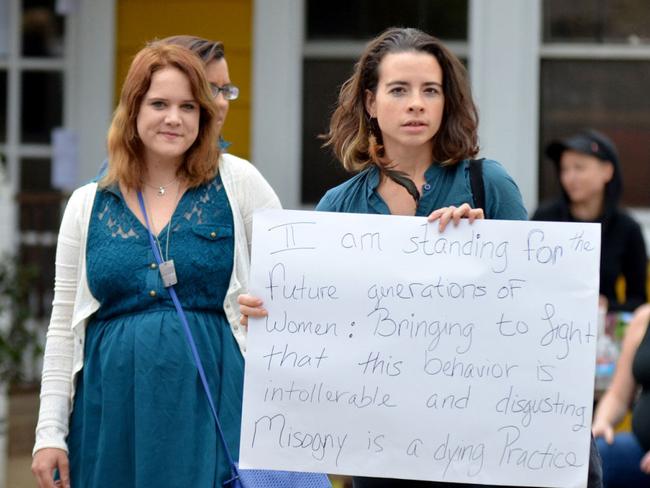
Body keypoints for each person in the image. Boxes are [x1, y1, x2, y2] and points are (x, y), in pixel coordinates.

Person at [239, 27, 602, 488]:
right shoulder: (339, 207)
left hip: (486, 443)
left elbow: (538, 313)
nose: (416, 103)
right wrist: (271, 318)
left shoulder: (486, 184)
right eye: (399, 90)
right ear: (370, 103)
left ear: (446, 102)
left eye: (430, 90)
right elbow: (321, 333)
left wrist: (483, 253)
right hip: (384, 447)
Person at [31, 42, 281, 488]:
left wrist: (267, 306)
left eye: (188, 106)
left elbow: (294, 281)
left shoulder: (238, 181)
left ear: (203, 116)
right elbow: (62, 326)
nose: (174, 118)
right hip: (113, 410)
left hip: (216, 401)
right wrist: (49, 434)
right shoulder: (86, 204)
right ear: (132, 110)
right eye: (159, 103)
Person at [532, 129, 647, 312]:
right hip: (547, 319)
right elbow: (529, 280)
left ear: (607, 171)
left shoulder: (627, 228)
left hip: (603, 332)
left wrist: (607, 305)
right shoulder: (545, 218)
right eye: (564, 169)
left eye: (579, 167)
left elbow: (639, 301)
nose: (570, 177)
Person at [592, 303, 650, 487]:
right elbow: (618, 394)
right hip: (640, 448)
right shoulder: (643, 318)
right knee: (593, 457)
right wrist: (602, 422)